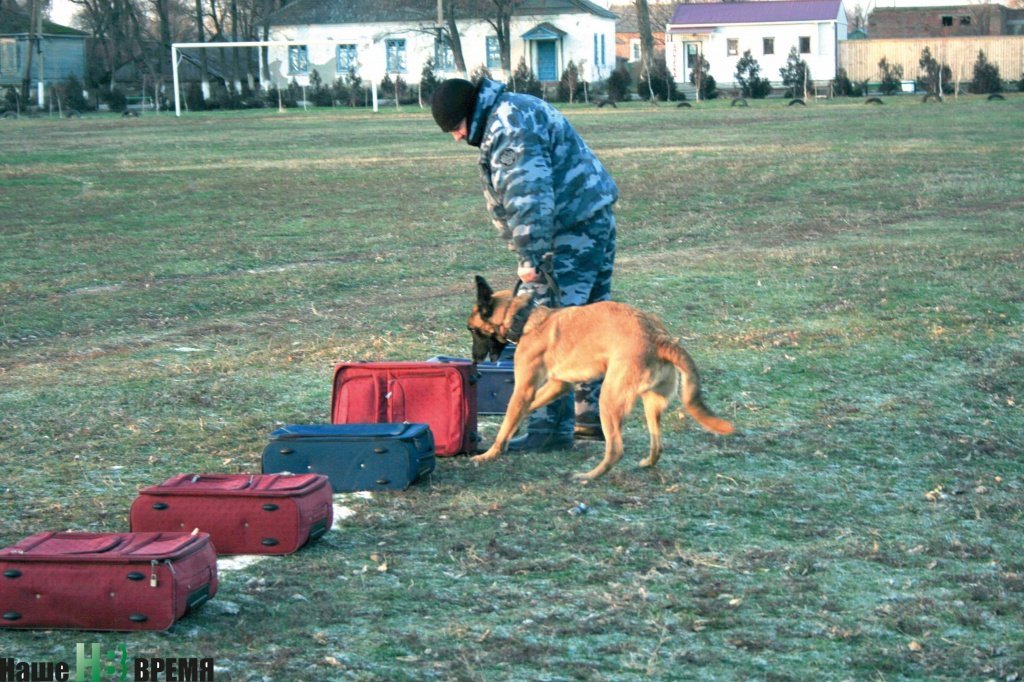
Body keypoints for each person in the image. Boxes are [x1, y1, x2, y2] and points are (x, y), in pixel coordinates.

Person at [431, 76, 619, 452]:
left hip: (564, 236)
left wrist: (530, 257)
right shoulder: (515, 107)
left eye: (455, 128)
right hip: (590, 220)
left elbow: (528, 193)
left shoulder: (507, 126)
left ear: (469, 114)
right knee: (588, 323)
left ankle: (547, 429)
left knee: (543, 330)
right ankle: (590, 418)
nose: (455, 138)